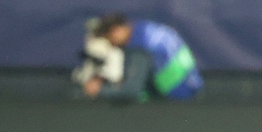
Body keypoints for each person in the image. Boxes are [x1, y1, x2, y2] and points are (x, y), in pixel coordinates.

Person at [73, 13, 204, 102]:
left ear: (117, 31)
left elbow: (131, 90)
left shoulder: (139, 48)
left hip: (178, 97)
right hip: (193, 84)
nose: (110, 44)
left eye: (108, 39)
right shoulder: (144, 29)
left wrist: (98, 90)